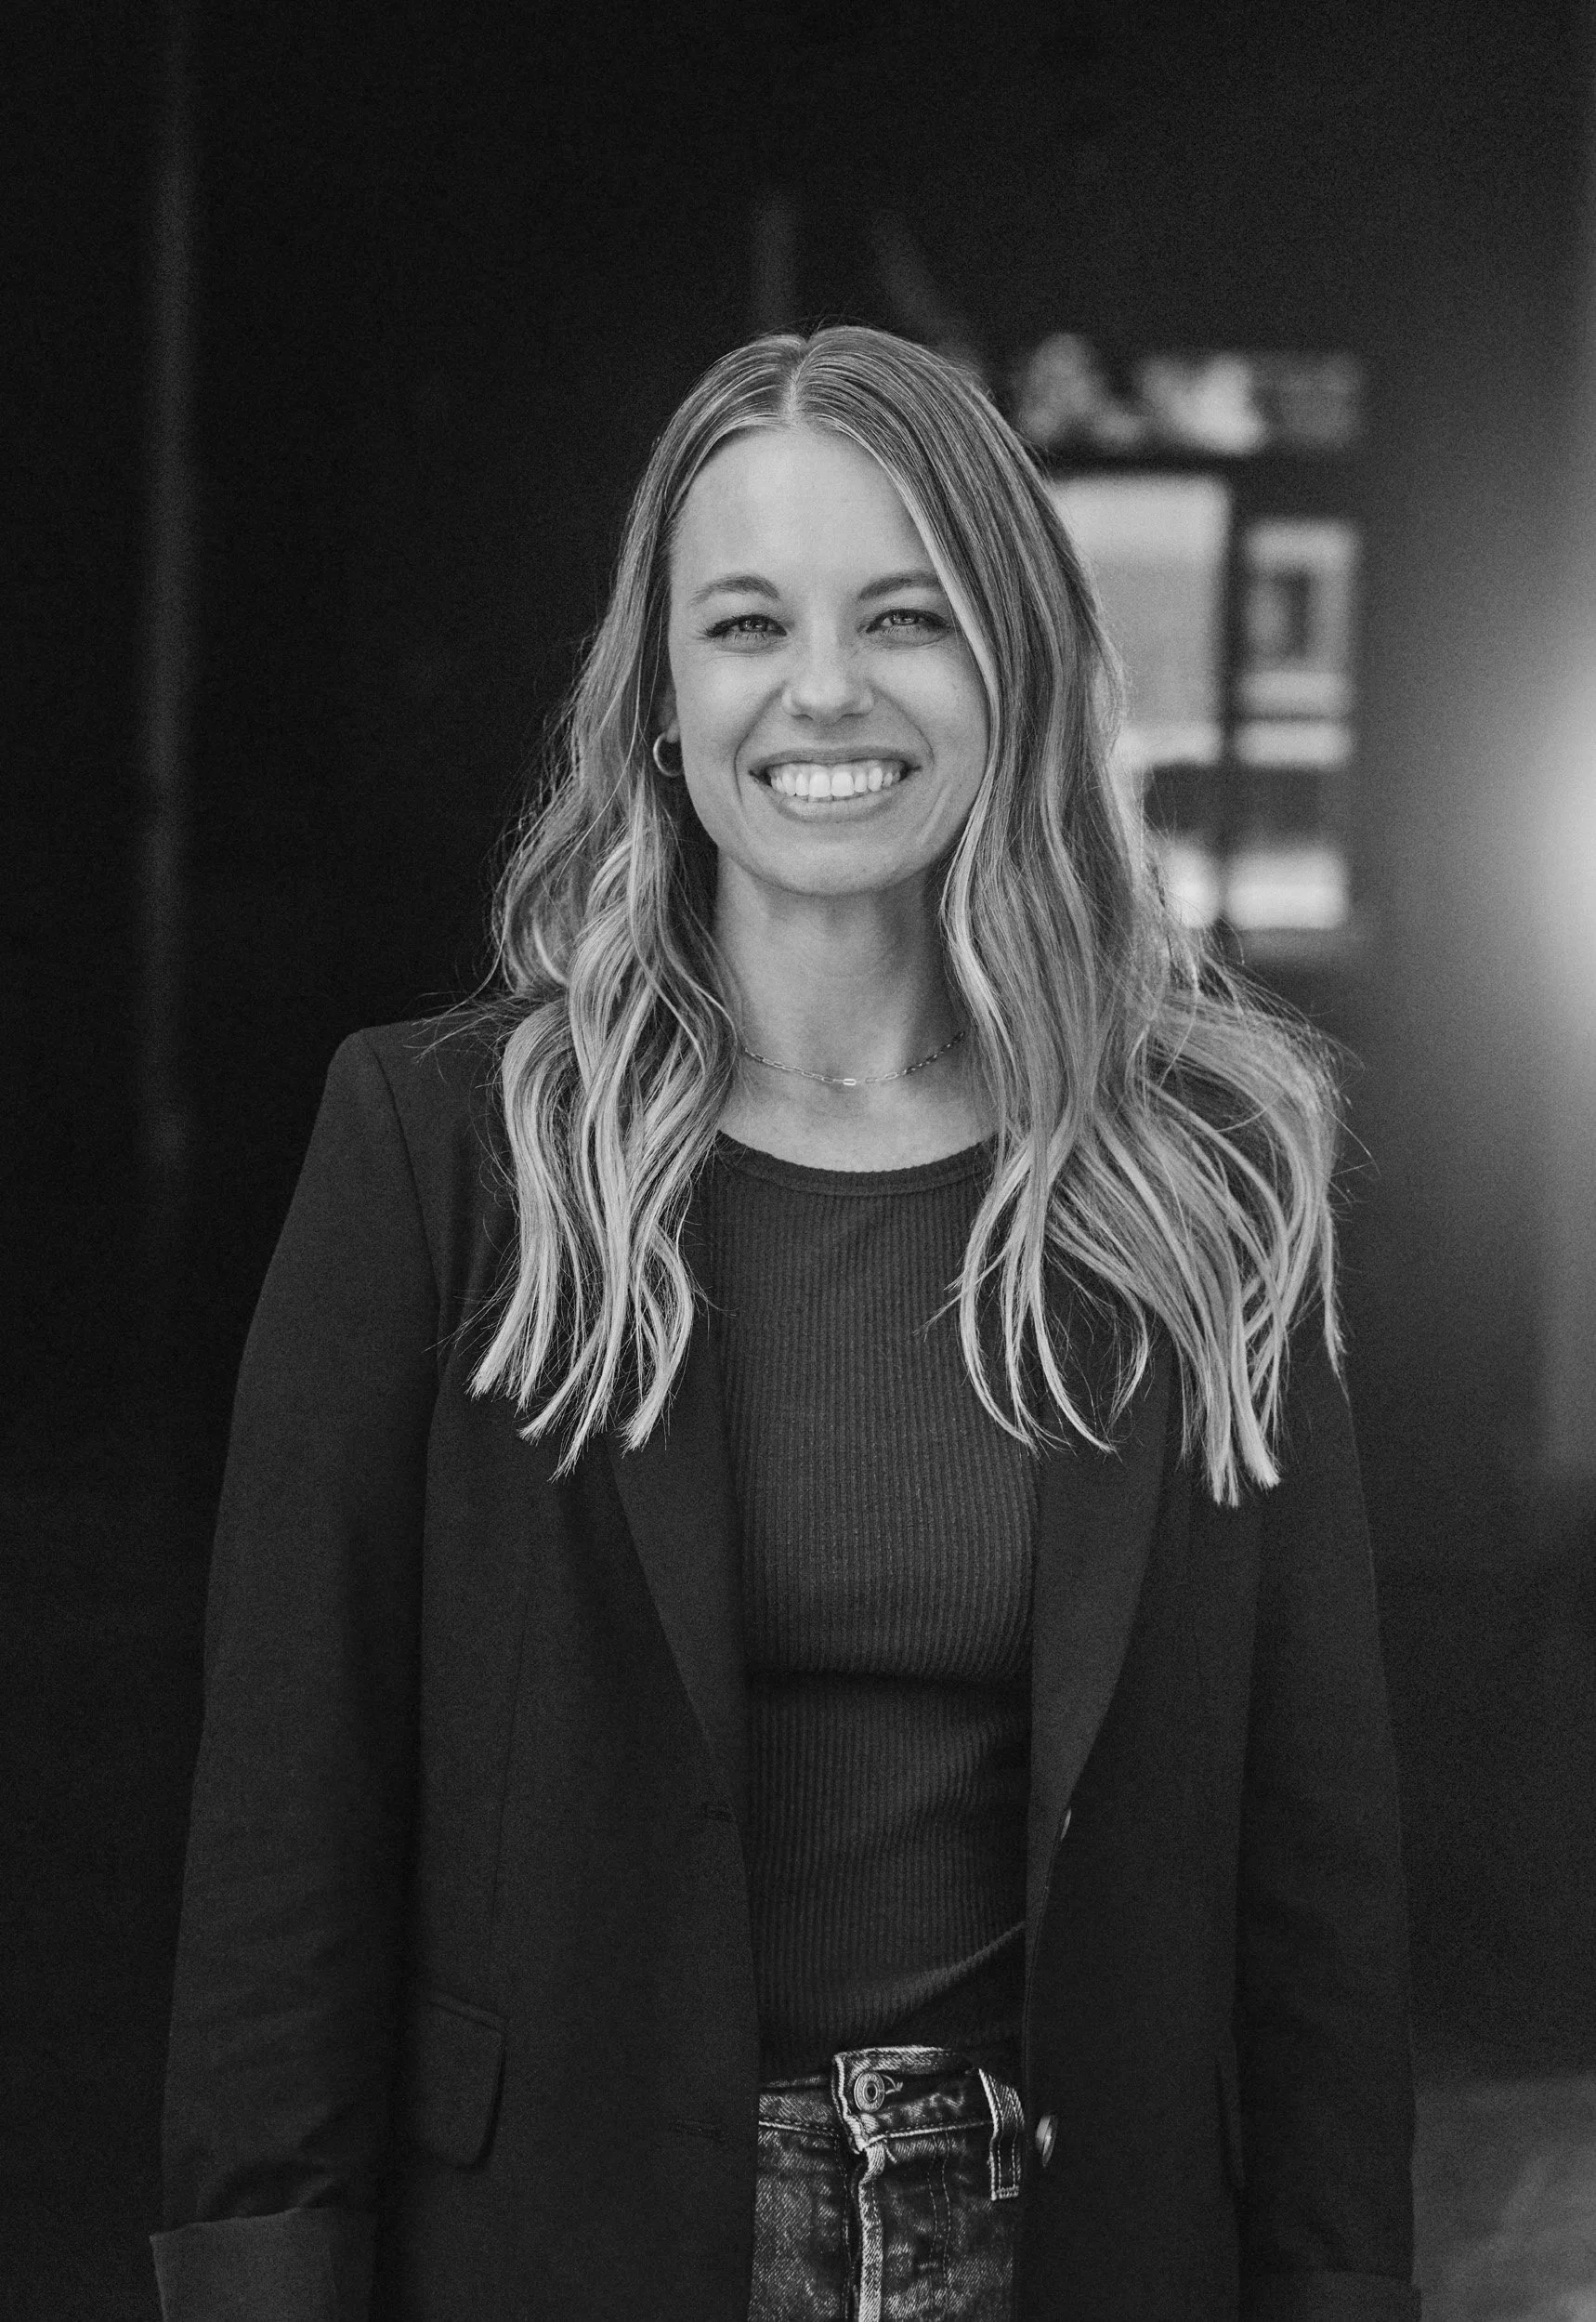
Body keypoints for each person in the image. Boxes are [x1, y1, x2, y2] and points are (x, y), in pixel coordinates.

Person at [152, 326, 1417, 2322]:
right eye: (746, 622)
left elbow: (1315, 1870)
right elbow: (282, 1843)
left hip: (1075, 2253)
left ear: (1016, 658)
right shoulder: (441, 1154)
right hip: (567, 2255)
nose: (822, 689)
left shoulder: (1213, 1176)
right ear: (660, 695)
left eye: (904, 614)